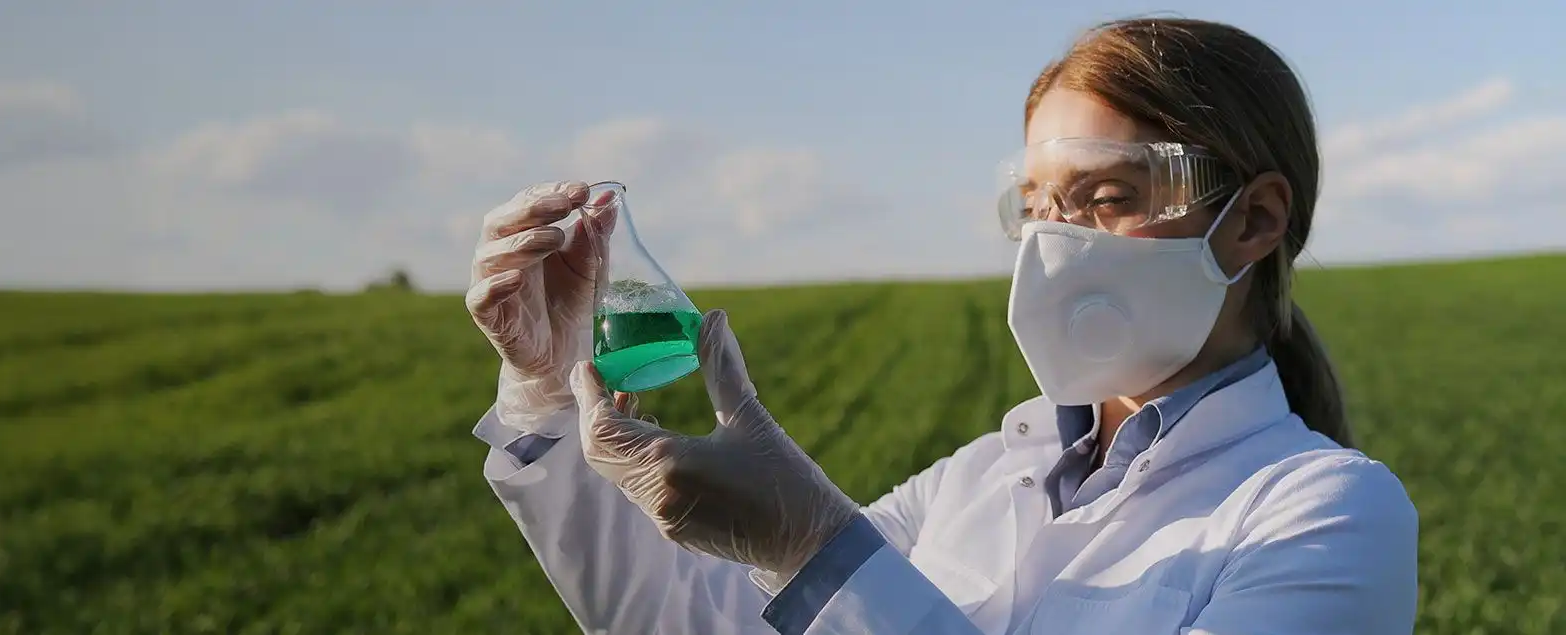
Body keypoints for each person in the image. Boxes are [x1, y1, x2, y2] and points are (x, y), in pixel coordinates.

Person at [462, 16, 1418, 635]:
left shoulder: (1327, 512)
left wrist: (814, 546)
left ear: (1253, 219)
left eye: (1107, 196)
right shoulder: (979, 475)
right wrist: (543, 388)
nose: (1056, 242)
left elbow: (831, 580)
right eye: (1038, 205)